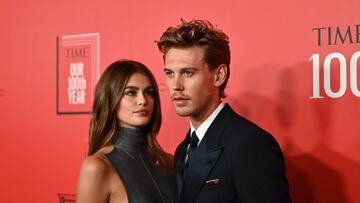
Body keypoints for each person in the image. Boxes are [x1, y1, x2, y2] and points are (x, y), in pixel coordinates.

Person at [156, 19, 291, 203]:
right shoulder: (183, 150)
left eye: (188, 73)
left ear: (219, 76)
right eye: (170, 73)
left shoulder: (250, 145)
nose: (175, 86)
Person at [76, 60, 176, 203]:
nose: (143, 100)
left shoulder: (170, 162)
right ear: (111, 99)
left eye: (149, 92)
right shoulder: (97, 167)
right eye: (131, 93)